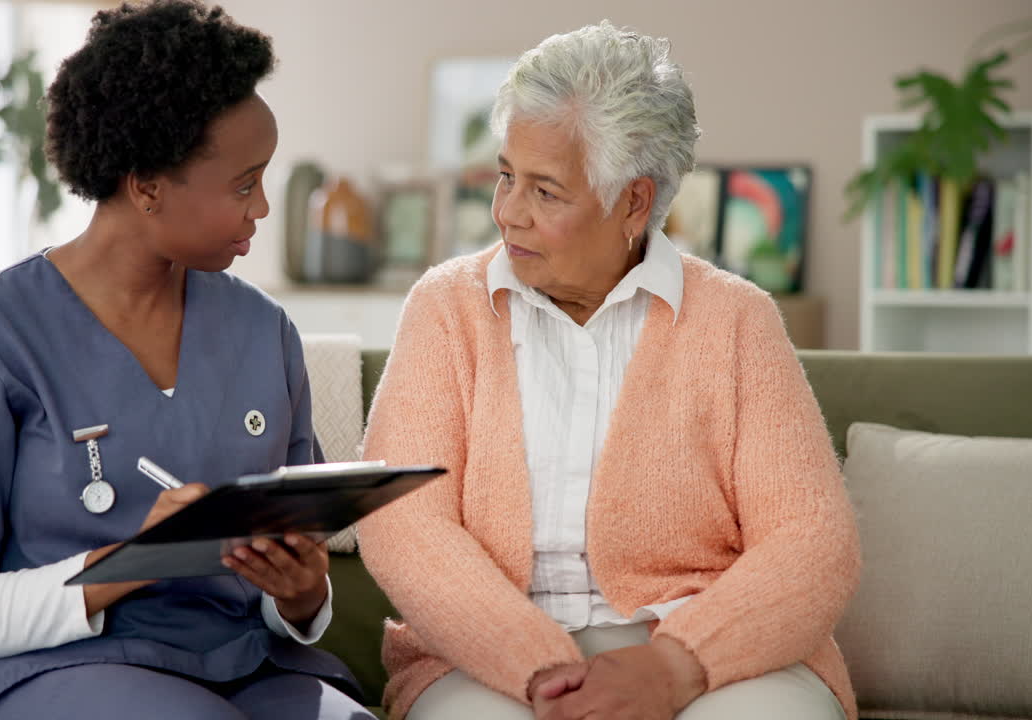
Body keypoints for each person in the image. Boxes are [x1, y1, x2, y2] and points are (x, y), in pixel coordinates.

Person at [358, 22, 860, 720]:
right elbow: (402, 522)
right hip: (486, 657)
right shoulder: (447, 308)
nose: (507, 215)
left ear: (634, 202)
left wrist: (674, 666)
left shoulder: (737, 320)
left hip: (707, 652)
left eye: (546, 192)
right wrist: (540, 666)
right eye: (506, 177)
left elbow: (812, 541)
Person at [0, 2, 374, 718]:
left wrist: (303, 596)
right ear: (147, 184)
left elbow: (295, 582)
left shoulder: (263, 331)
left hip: (251, 665)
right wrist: (132, 563)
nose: (264, 208)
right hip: (57, 670)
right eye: (244, 185)